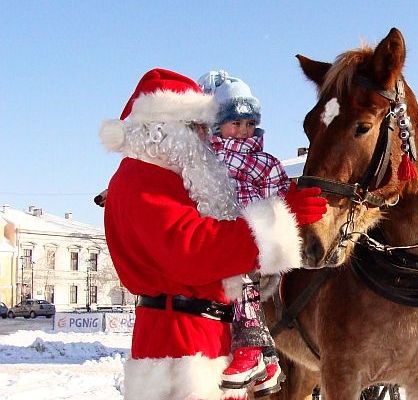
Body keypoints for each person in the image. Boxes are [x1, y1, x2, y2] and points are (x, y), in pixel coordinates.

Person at [98, 68, 327, 400]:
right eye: (196, 127)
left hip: (199, 337)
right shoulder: (142, 179)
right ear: (162, 129)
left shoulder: (169, 178)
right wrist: (281, 218)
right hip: (179, 349)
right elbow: (196, 249)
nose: (205, 139)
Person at [197, 70, 289, 397]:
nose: (243, 131)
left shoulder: (262, 161)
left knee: (240, 278)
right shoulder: (203, 158)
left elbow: (280, 192)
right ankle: (267, 357)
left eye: (249, 124)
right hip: (217, 232)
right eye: (235, 123)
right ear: (216, 125)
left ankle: (250, 349)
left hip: (251, 234)